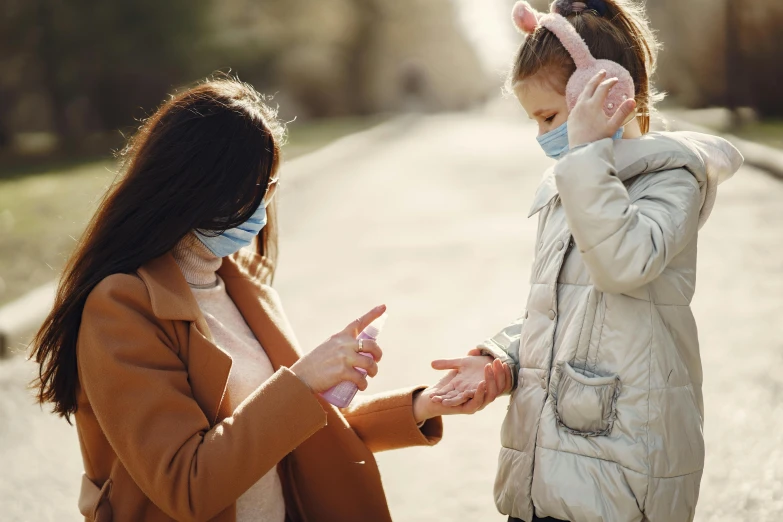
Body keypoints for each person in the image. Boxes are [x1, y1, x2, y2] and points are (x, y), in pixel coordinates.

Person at [30, 78, 508, 522]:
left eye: (269, 188)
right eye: (252, 190)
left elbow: (290, 430)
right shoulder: (121, 307)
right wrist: (303, 378)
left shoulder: (240, 282)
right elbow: (187, 485)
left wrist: (423, 405)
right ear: (193, 187)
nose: (262, 207)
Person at [428, 1, 744, 521]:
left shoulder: (670, 178)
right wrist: (501, 359)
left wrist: (584, 159)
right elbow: (561, 310)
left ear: (607, 93)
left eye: (550, 117)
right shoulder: (573, 180)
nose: (542, 136)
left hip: (619, 467)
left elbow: (622, 264)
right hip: (550, 466)